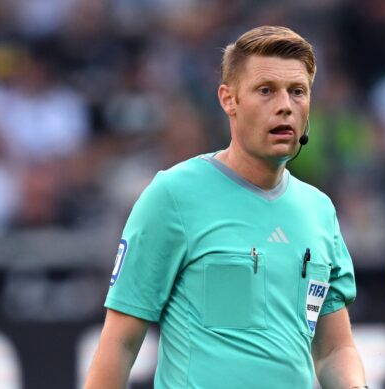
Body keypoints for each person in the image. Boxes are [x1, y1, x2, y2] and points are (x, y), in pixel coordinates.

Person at [84, 26, 367, 388]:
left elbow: (333, 349)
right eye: (266, 91)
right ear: (228, 99)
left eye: (298, 92)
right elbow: (120, 343)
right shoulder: (173, 196)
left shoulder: (319, 210)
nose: (285, 105)